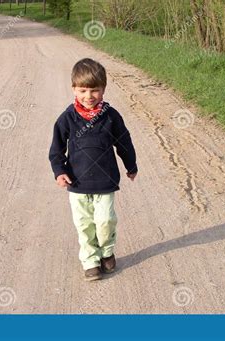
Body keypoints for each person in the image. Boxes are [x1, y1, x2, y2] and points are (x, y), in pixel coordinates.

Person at [49, 58, 138, 281]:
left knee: (106, 220)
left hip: (105, 181)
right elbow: (57, 149)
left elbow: (124, 142)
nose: (88, 96)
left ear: (103, 89)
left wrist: (131, 165)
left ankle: (106, 252)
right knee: (84, 224)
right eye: (83, 90)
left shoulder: (111, 116)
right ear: (74, 89)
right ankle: (90, 260)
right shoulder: (67, 118)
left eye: (94, 90)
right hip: (77, 183)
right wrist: (59, 171)